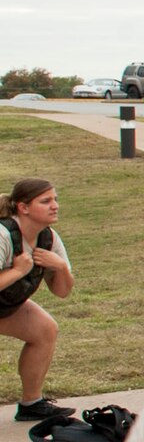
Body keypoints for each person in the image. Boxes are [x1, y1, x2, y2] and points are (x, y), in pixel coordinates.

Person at [1, 178, 75, 422]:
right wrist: (18, 271)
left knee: (44, 329)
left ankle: (31, 404)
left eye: (55, 199)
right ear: (23, 207)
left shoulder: (48, 238)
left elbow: (62, 292)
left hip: (6, 306)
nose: (54, 206)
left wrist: (61, 267)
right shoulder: (3, 235)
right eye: (45, 201)